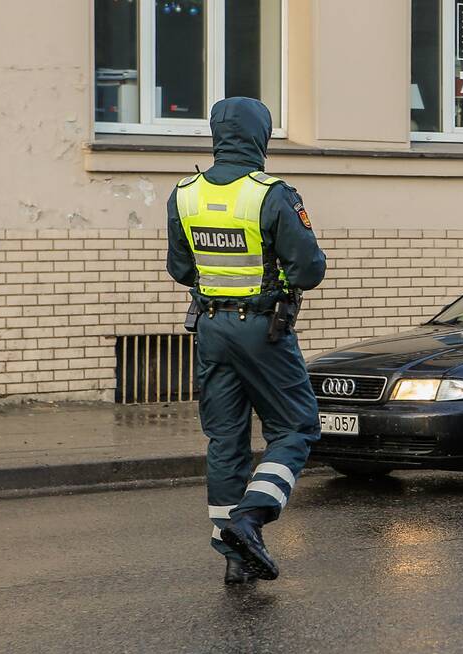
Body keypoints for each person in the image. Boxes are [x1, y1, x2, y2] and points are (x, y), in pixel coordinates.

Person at [166, 97, 327, 586]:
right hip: (262, 329)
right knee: (296, 427)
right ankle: (252, 518)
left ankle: (235, 557)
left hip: (211, 330)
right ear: (261, 136)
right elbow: (309, 269)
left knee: (225, 439)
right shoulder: (271, 195)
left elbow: (180, 269)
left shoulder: (184, 194)